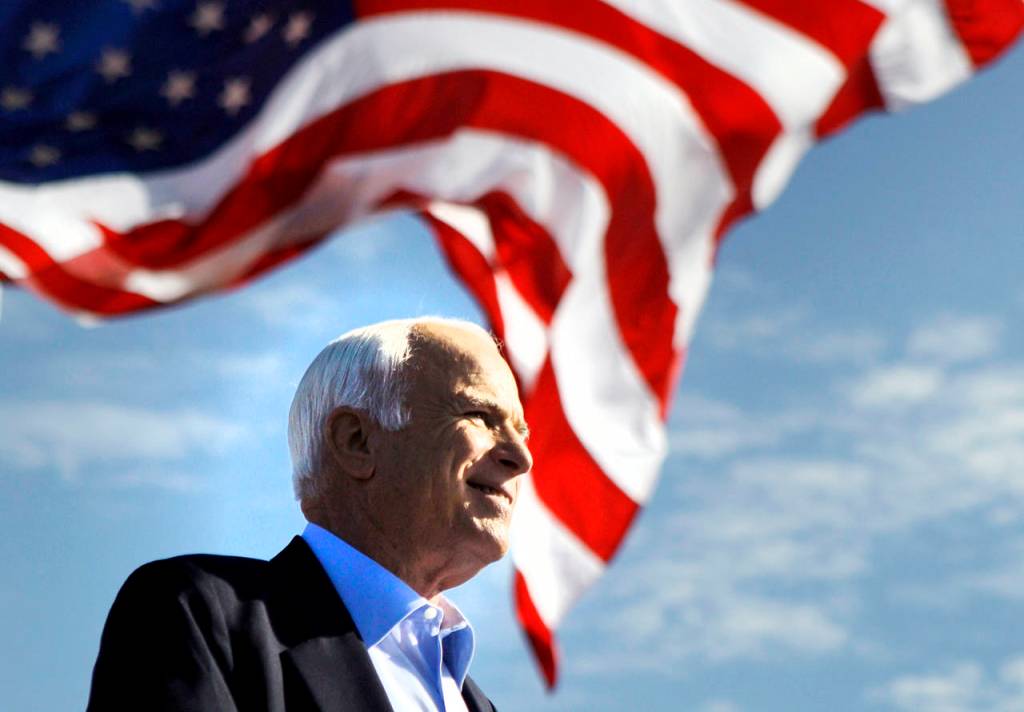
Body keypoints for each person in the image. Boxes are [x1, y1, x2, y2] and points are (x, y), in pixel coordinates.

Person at [87, 317, 533, 711]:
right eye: (479, 415)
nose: (521, 457)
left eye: (521, 430)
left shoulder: (474, 701)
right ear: (356, 441)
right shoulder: (198, 616)